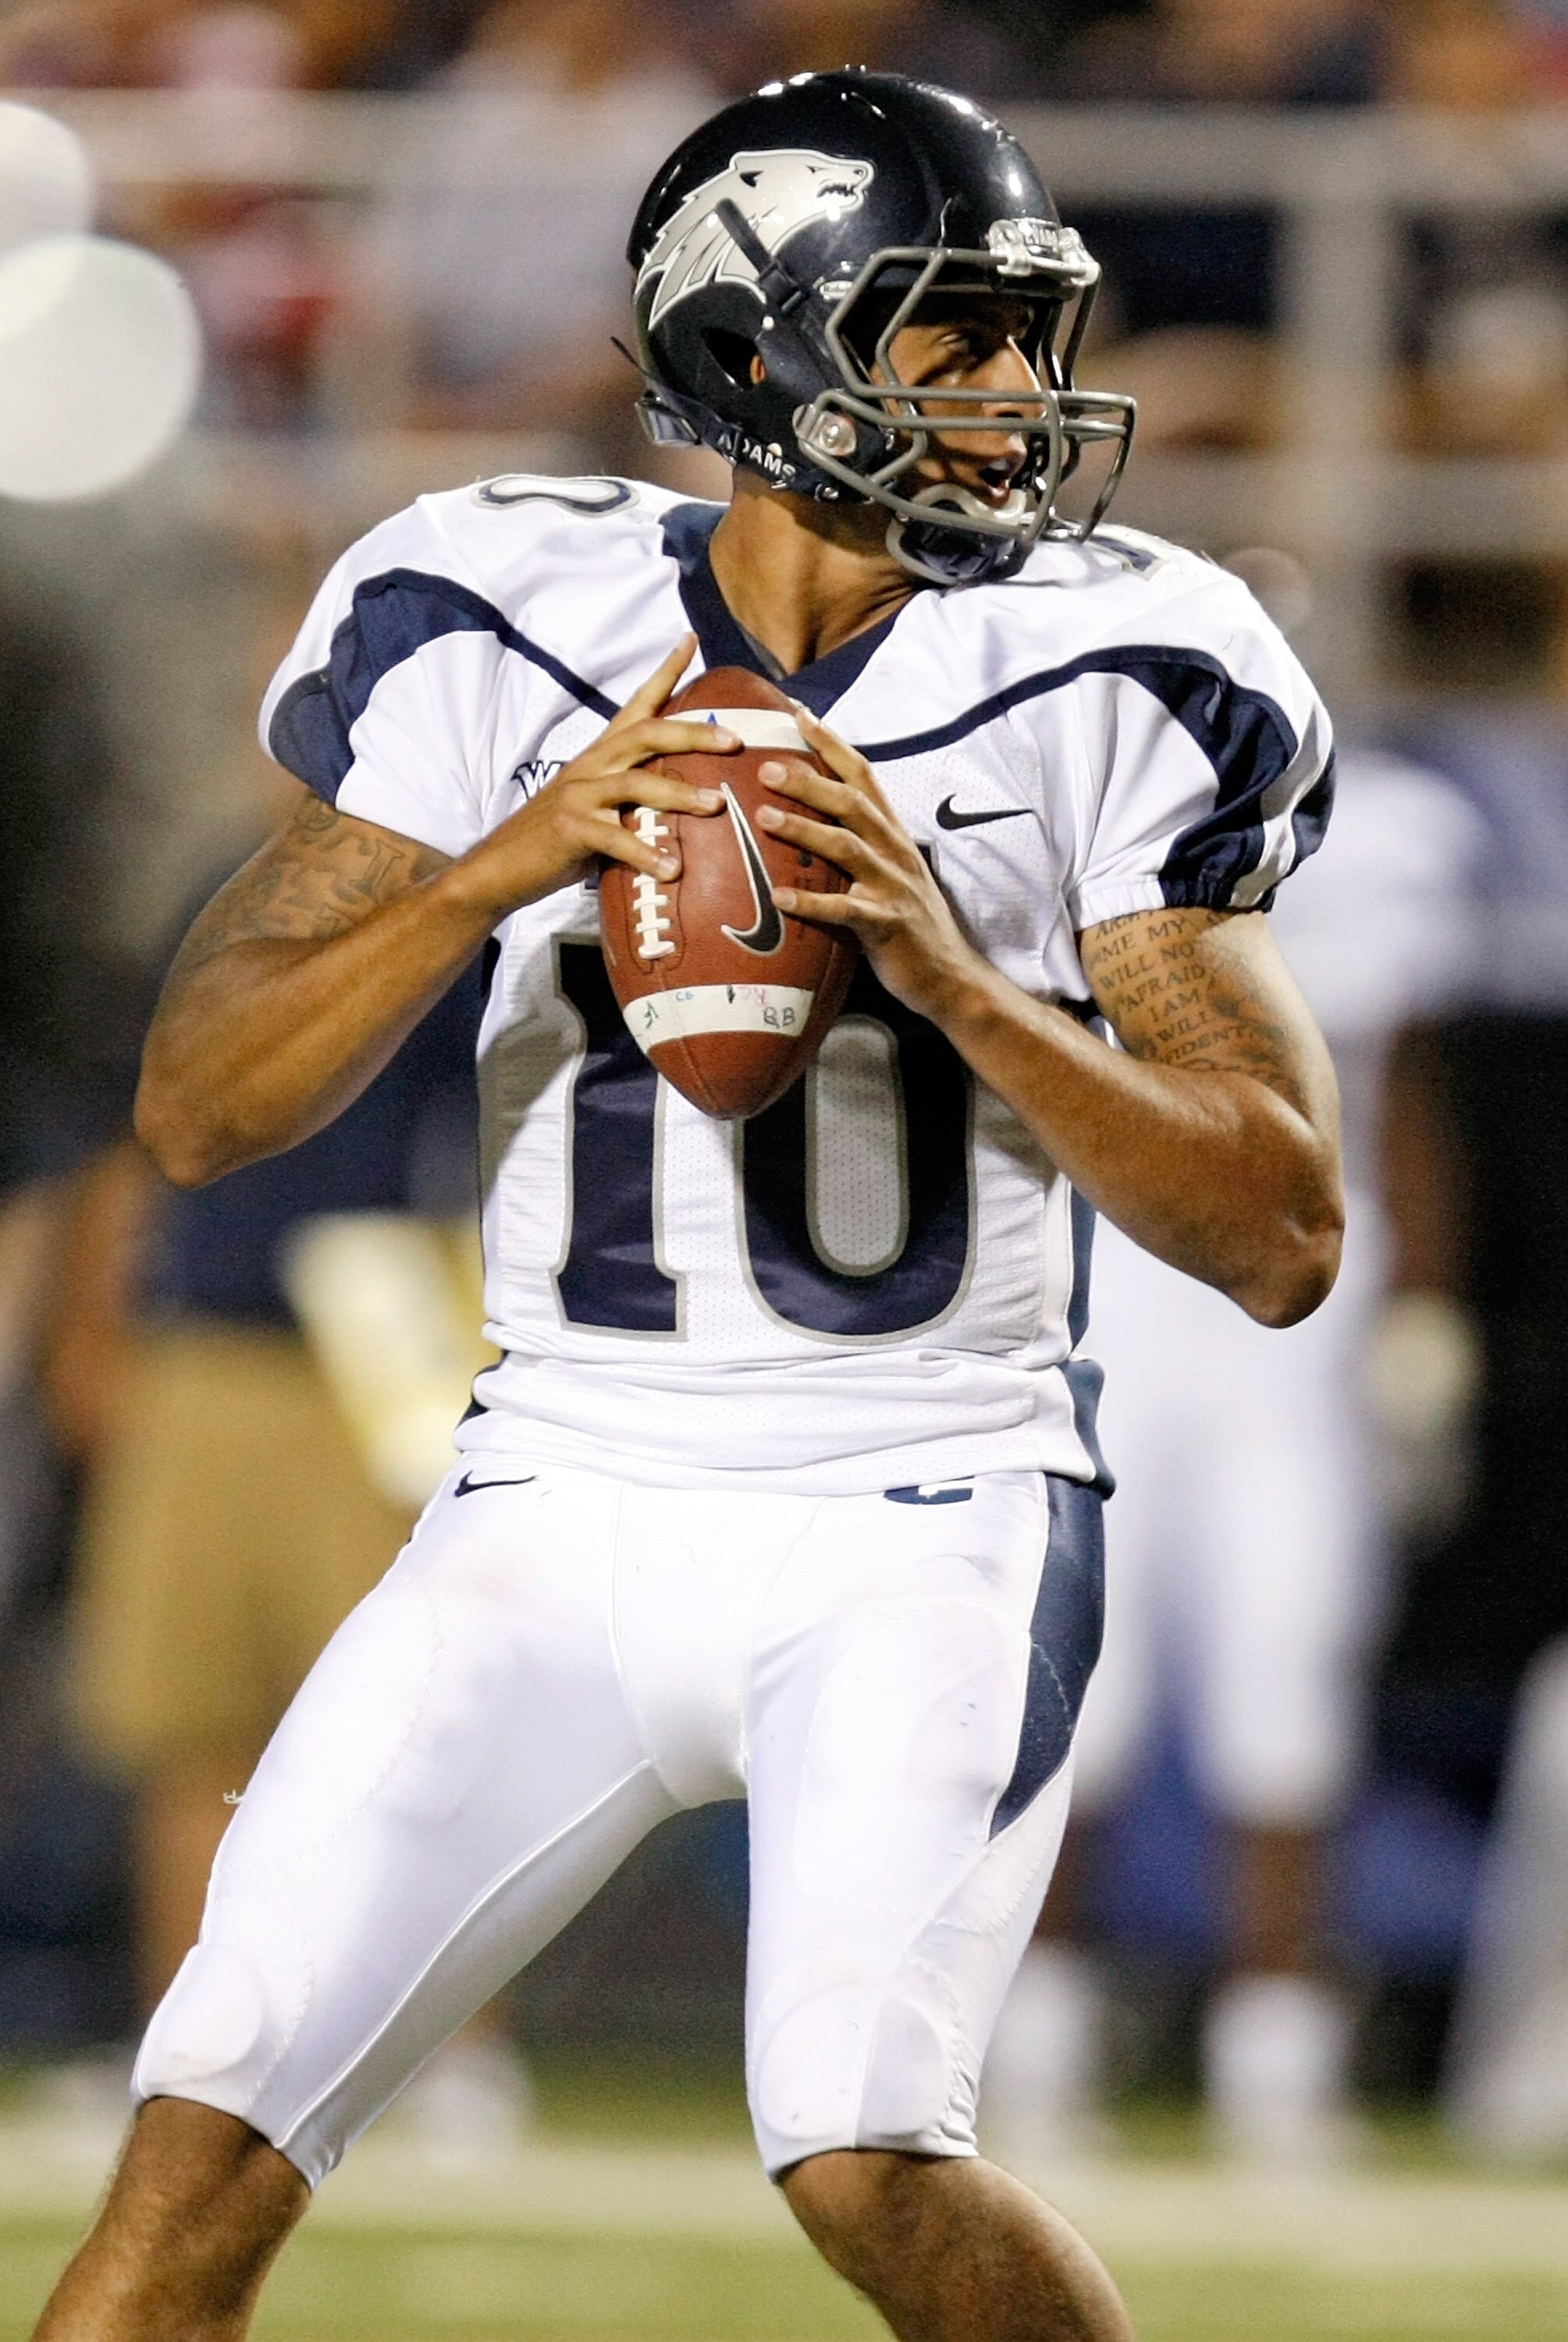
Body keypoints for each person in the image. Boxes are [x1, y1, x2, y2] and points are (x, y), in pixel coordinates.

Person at [30, 73, 1342, 2342]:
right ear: (761, 348)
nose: (1019, 394)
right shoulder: (493, 612)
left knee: (863, 2155)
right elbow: (200, 1105)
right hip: (547, 1489)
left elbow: (1281, 1228)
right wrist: (501, 864)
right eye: (951, 336)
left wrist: (952, 978)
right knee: (190, 2163)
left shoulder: (1115, 658)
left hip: (915, 1498)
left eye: (1032, 334)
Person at [987, 746, 1484, 2163]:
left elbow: (1402, 1090)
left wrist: (1426, 1314)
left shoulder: (1389, 828)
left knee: (1288, 1677)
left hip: (1294, 1329)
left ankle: (1274, 2061)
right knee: (1078, 1689)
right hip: (1108, 1300)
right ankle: (1033, 2044)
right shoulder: (1078, 782)